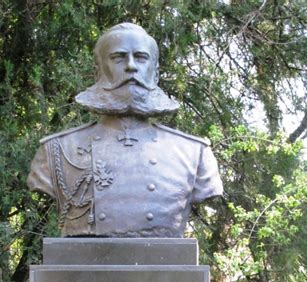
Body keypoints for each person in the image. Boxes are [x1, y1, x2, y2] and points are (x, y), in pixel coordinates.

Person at [27, 23, 223, 237]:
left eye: (140, 57)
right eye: (118, 58)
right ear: (97, 72)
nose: (131, 66)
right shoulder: (57, 150)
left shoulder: (194, 153)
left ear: (155, 74)